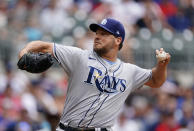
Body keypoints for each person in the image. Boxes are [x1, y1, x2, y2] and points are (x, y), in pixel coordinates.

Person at [18, 18, 171, 131]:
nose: (97, 36)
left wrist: (162, 65)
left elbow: (156, 81)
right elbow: (45, 46)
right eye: (97, 33)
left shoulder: (130, 71)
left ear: (118, 40)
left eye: (104, 34)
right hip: (68, 127)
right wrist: (24, 51)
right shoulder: (80, 57)